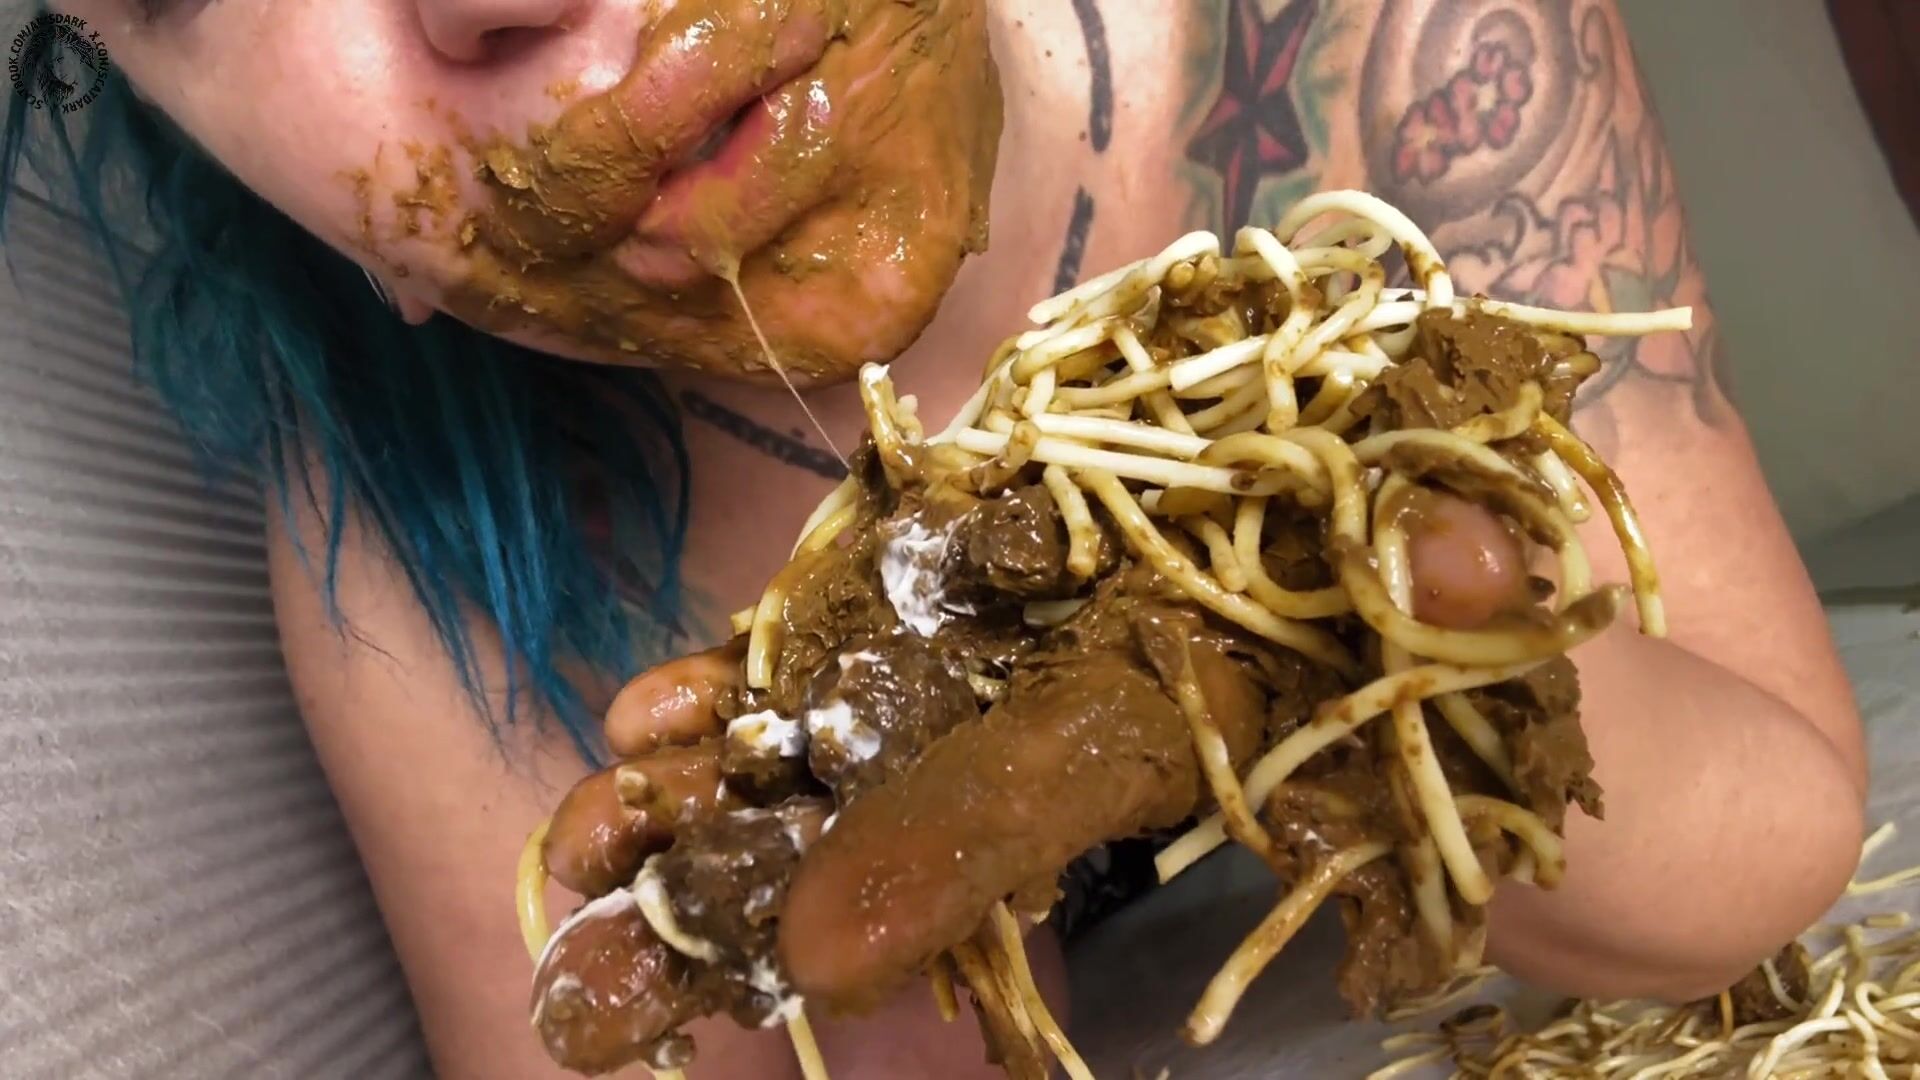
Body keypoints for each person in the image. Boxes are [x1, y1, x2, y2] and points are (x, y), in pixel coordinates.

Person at [4, 0, 1864, 1076]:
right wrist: (804, 905)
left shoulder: (1385, 48)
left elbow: (1770, 844)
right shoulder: (419, 523)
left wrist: (1370, 668)